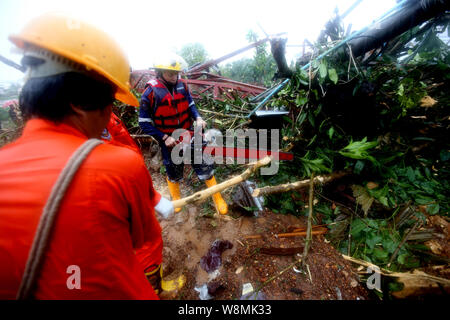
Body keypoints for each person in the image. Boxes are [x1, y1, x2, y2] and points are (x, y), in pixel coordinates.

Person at [0, 13, 181, 300]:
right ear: (79, 102)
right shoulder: (118, 167)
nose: (111, 113)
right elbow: (141, 238)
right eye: (110, 102)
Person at [139, 55, 228, 214]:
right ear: (160, 73)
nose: (174, 77)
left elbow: (191, 104)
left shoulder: (182, 85)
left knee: (205, 164)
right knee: (173, 169)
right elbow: (143, 123)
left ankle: (218, 198)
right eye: (170, 74)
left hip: (189, 133)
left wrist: (198, 117)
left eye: (177, 74)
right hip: (169, 140)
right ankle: (177, 199)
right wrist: (164, 137)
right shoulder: (150, 92)